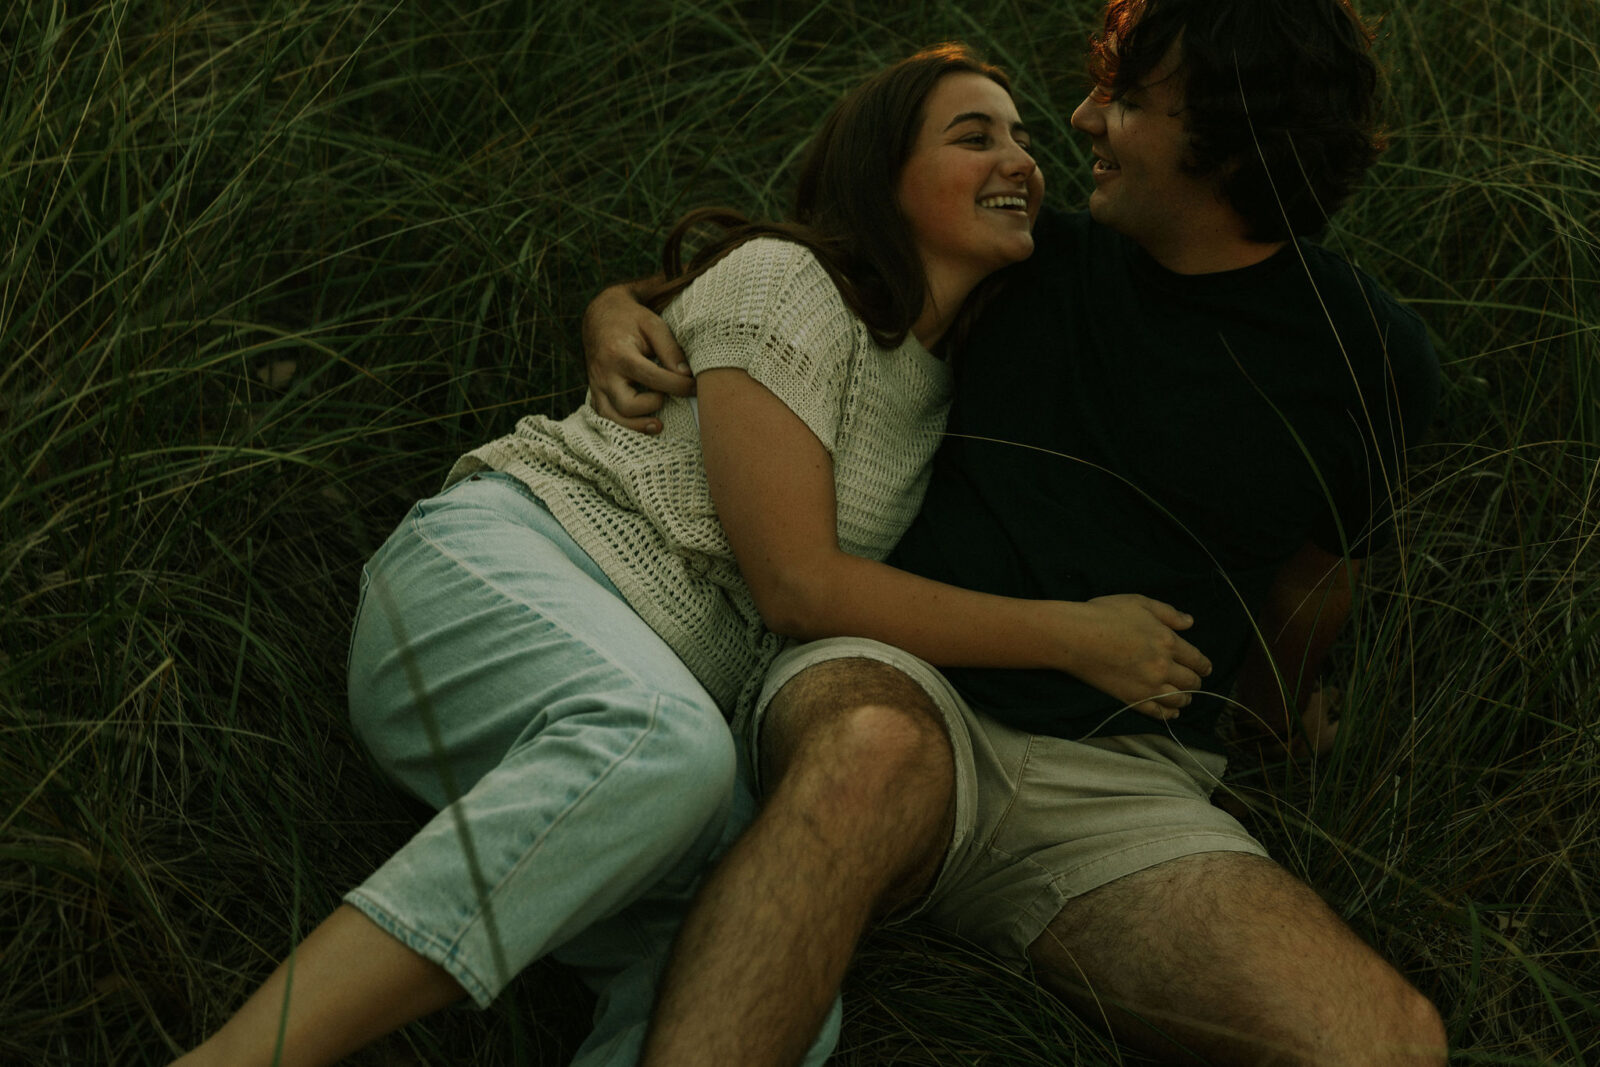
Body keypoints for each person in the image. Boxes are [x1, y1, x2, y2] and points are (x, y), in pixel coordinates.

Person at [174, 44, 1218, 1067]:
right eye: (973, 134)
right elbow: (797, 584)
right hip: (497, 579)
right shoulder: (790, 284)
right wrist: (1072, 637)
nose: (1021, 159)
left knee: (764, 984)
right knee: (662, 747)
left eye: (1023, 138)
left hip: (636, 720)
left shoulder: (950, 384)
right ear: (881, 174)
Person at [583, 1, 1448, 1064]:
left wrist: (1273, 722)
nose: (1083, 117)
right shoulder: (1028, 261)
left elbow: (1312, 595)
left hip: (1125, 783)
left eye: (1128, 101)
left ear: (1238, 133)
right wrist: (619, 305)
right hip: (899, 685)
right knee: (869, 754)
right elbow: (788, 274)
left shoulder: (1369, 358)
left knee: (1384, 1040)